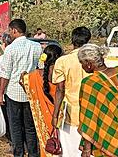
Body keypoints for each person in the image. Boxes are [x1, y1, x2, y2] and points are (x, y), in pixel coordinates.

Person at [0, 19, 42, 157]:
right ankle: (33, 153)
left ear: (14, 31)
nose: (9, 33)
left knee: (15, 126)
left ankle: (19, 153)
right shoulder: (36, 47)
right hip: (31, 92)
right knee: (30, 127)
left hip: (13, 92)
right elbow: (40, 69)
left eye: (10, 31)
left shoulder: (10, 49)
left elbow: (5, 74)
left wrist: (0, 94)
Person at [51, 27, 92, 157]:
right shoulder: (95, 61)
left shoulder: (63, 61)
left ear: (72, 40)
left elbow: (60, 89)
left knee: (69, 150)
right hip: (91, 112)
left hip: (69, 113)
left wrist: (55, 114)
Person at [20, 45, 62, 157]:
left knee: (47, 145)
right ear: (58, 57)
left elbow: (27, 88)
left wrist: (23, 76)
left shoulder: (33, 76)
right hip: (59, 116)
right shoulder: (62, 75)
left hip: (44, 117)